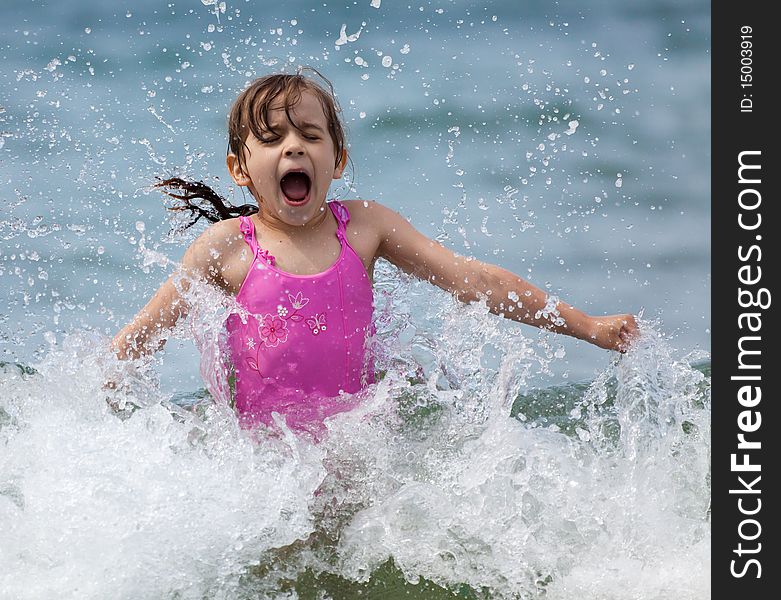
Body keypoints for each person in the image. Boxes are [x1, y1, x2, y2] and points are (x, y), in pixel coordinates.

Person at [112, 67, 638, 434]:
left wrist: (586, 326)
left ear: (337, 159)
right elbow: (144, 334)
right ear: (240, 169)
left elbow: (473, 282)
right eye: (272, 138)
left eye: (310, 136)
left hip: (357, 451)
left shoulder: (364, 229)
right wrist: (87, 393)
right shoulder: (225, 248)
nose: (293, 146)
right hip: (265, 466)